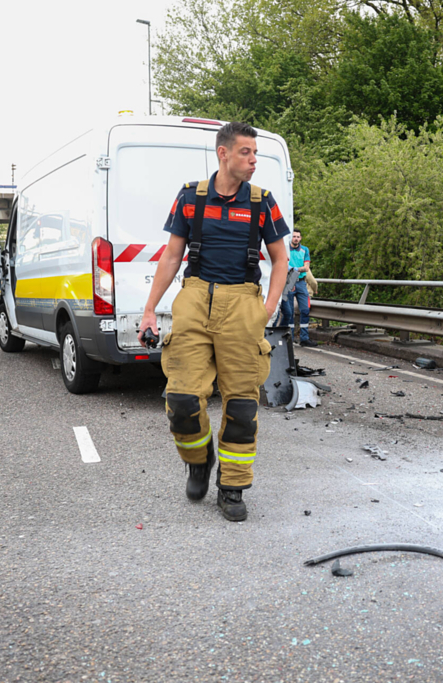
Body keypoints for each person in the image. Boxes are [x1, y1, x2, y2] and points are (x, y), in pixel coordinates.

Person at [138, 122, 290, 522]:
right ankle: (198, 459)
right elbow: (172, 257)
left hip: (242, 303)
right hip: (194, 298)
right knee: (182, 400)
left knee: (241, 405)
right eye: (246, 152)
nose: (254, 159)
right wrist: (150, 309)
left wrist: (268, 307)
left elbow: (280, 259)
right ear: (223, 154)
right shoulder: (191, 197)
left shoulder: (262, 201)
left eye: (255, 153)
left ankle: (233, 487)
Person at [279, 229, 317, 347]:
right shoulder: (285, 249)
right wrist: (292, 269)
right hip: (289, 281)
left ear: (300, 238)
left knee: (305, 310)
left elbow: (306, 267)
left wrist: (294, 269)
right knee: (289, 312)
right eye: (294, 236)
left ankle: (304, 338)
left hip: (301, 282)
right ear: (291, 238)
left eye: (298, 237)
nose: (296, 238)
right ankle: (289, 338)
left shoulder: (304, 250)